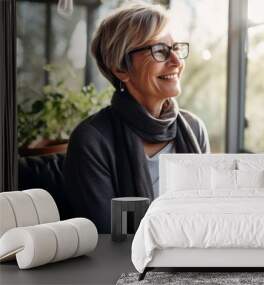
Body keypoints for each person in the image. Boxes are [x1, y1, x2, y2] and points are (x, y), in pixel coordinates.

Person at [63, 1, 210, 233]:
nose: (177, 62)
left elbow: (210, 217)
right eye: (160, 50)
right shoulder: (91, 141)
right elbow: (106, 238)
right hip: (125, 266)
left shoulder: (194, 128)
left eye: (176, 48)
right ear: (121, 68)